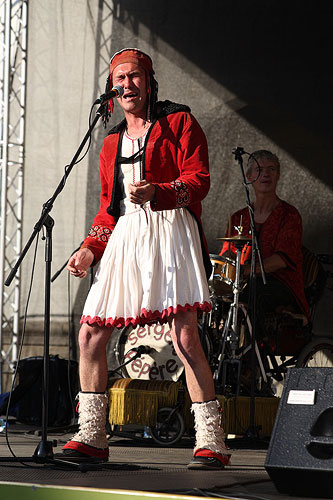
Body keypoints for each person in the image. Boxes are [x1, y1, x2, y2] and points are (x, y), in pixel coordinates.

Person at [61, 48, 231, 470]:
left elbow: (200, 180)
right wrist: (89, 247)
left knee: (185, 337)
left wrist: (160, 191)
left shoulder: (179, 122)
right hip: (127, 234)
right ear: (112, 90)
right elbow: (108, 209)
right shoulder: (111, 142)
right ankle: (93, 435)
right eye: (119, 79)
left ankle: (212, 440)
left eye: (134, 76)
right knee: (89, 335)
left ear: (149, 80)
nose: (127, 85)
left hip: (170, 228)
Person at [220, 150, 310, 336]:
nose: (266, 174)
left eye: (271, 169)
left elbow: (280, 260)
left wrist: (243, 272)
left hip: (280, 285)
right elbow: (227, 255)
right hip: (244, 283)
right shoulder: (238, 217)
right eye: (259, 170)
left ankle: (250, 350)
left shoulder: (289, 215)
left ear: (278, 175)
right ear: (249, 176)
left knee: (252, 292)